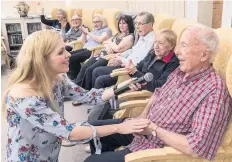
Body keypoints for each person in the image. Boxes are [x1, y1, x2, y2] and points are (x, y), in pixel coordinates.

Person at [84, 24, 232, 162]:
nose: (177, 51)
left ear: (204, 55)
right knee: (92, 130)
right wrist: (143, 116)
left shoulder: (213, 92)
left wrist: (154, 129)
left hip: (155, 149)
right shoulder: (181, 72)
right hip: (143, 129)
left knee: (91, 161)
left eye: (184, 46)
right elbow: (158, 92)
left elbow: (195, 147)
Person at [4, 30, 150, 161]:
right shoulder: (23, 96)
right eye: (60, 52)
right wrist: (120, 128)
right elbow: (70, 132)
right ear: (41, 60)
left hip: (49, 153)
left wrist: (122, 87)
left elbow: (89, 96)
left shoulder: (58, 79)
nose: (68, 54)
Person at [90, 11, 155, 90]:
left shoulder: (152, 41)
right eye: (136, 23)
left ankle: (99, 99)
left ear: (150, 24)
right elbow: (132, 50)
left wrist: (121, 60)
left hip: (131, 71)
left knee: (99, 76)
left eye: (140, 24)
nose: (137, 27)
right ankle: (95, 97)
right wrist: (119, 55)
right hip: (124, 64)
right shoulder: (143, 36)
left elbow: (139, 62)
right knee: (96, 70)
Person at [74, 15, 135, 91]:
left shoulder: (130, 37)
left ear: (129, 24)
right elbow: (105, 42)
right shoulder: (118, 34)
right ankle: (77, 89)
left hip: (109, 57)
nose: (121, 26)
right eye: (120, 23)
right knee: (85, 67)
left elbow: (118, 48)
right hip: (101, 54)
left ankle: (86, 92)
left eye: (124, 23)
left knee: (90, 70)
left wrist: (108, 43)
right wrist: (108, 44)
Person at [68, 14, 112, 80]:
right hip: (85, 49)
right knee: (68, 55)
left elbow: (100, 40)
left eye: (97, 22)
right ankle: (75, 76)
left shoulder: (107, 30)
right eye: (94, 22)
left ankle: (74, 78)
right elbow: (84, 42)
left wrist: (88, 33)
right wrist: (84, 33)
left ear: (102, 22)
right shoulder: (94, 31)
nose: (95, 24)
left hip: (93, 51)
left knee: (72, 58)